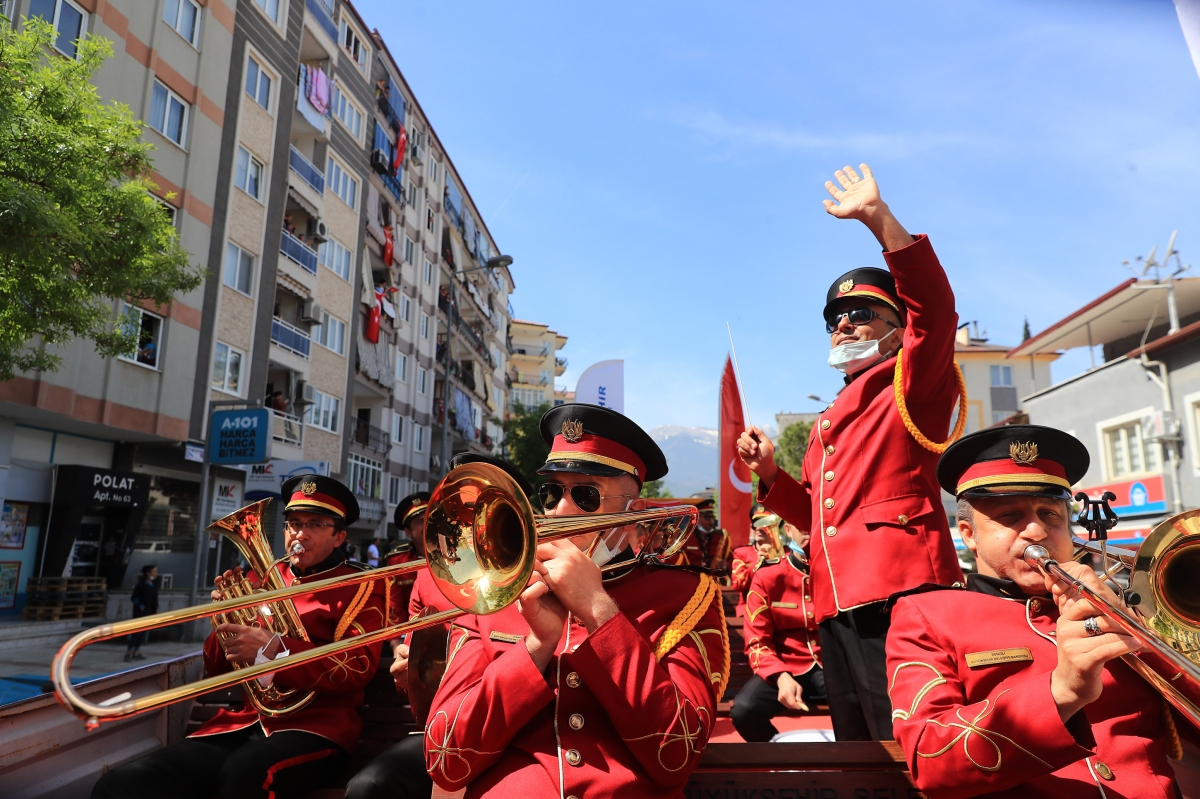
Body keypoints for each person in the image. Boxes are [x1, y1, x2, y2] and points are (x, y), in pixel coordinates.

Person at [737, 163, 963, 741]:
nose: (843, 327)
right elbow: (815, 514)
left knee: (911, 741)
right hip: (837, 602)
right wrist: (768, 473)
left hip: (899, 592)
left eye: (861, 314)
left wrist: (879, 220)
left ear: (897, 326)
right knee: (861, 745)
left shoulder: (912, 381)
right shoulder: (829, 419)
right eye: (835, 321)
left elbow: (935, 311)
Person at [424, 404, 730, 797]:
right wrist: (535, 649)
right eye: (551, 492)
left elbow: (676, 754)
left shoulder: (686, 596)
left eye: (586, 494)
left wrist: (600, 612)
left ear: (633, 513)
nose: (559, 510)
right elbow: (445, 760)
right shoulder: (490, 593)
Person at [887, 424, 1189, 797]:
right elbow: (931, 759)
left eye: (1050, 514)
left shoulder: (1122, 605)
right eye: (1010, 516)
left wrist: (1143, 635)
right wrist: (1061, 691)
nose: (1036, 530)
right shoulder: (926, 614)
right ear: (968, 534)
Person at [92, 475, 386, 799]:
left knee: (244, 776)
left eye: (314, 524)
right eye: (293, 524)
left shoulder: (363, 585)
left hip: (317, 727)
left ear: (339, 536)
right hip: (245, 723)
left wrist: (274, 649)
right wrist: (225, 623)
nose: (299, 535)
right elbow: (218, 671)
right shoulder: (257, 580)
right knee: (121, 783)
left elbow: (356, 667)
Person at [346, 454, 533, 799]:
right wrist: (410, 662)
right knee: (367, 786)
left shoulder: (538, 572)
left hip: (517, 731)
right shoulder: (429, 573)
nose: (462, 520)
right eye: (457, 507)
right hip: (445, 722)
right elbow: (416, 644)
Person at [731, 527, 824, 742]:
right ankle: (783, 755)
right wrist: (780, 676)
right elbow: (757, 640)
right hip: (783, 666)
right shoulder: (768, 575)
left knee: (870, 705)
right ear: (790, 529)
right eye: (801, 523)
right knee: (744, 710)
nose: (809, 528)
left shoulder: (840, 573)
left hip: (832, 668)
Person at [729, 511, 782, 617]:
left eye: (762, 523)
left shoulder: (786, 552)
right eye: (755, 524)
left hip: (780, 607)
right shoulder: (741, 553)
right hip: (750, 610)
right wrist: (757, 563)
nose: (757, 528)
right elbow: (737, 583)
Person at [677, 498, 731, 572]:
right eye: (707, 517)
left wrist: (726, 565)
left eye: (712, 517)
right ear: (697, 518)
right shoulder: (684, 537)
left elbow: (732, 559)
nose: (711, 521)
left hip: (714, 581)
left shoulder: (720, 536)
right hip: (692, 579)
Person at [124, 564, 158, 662]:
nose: (156, 574)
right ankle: (128, 653)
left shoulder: (154, 585)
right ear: (148, 573)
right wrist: (141, 606)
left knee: (143, 633)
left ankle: (136, 652)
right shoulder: (141, 585)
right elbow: (134, 598)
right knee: (137, 633)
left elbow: (155, 599)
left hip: (149, 612)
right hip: (139, 613)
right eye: (154, 571)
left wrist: (156, 609)